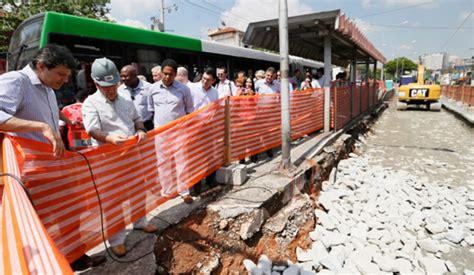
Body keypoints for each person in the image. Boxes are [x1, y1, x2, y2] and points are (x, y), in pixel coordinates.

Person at [0, 44, 106, 270]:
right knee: (38, 222)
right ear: (41, 66)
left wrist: (67, 121)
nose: (65, 80)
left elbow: (47, 109)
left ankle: (74, 256)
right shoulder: (16, 81)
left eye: (67, 76)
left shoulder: (47, 86)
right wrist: (41, 128)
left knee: (71, 208)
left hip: (52, 163)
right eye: (61, 74)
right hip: (29, 169)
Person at [82, 57, 158, 257]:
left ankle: (140, 222)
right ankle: (116, 239)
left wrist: (141, 130)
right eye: (106, 87)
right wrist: (109, 138)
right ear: (96, 84)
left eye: (114, 85)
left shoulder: (125, 99)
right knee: (113, 200)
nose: (111, 90)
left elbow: (137, 120)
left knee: (137, 190)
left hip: (132, 155)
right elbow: (92, 130)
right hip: (108, 161)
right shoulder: (91, 103)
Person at [148, 59, 195, 204]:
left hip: (179, 133)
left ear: (175, 74)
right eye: (165, 73)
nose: (167, 77)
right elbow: (151, 110)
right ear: (161, 73)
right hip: (161, 133)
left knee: (182, 162)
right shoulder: (153, 89)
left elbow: (189, 111)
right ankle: (167, 191)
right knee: (163, 163)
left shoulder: (184, 90)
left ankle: (184, 191)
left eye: (170, 74)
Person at [118, 65, 153, 130]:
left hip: (147, 126)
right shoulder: (119, 90)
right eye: (121, 76)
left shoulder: (149, 88)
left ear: (134, 76)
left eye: (125, 76)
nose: (123, 79)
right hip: (129, 127)